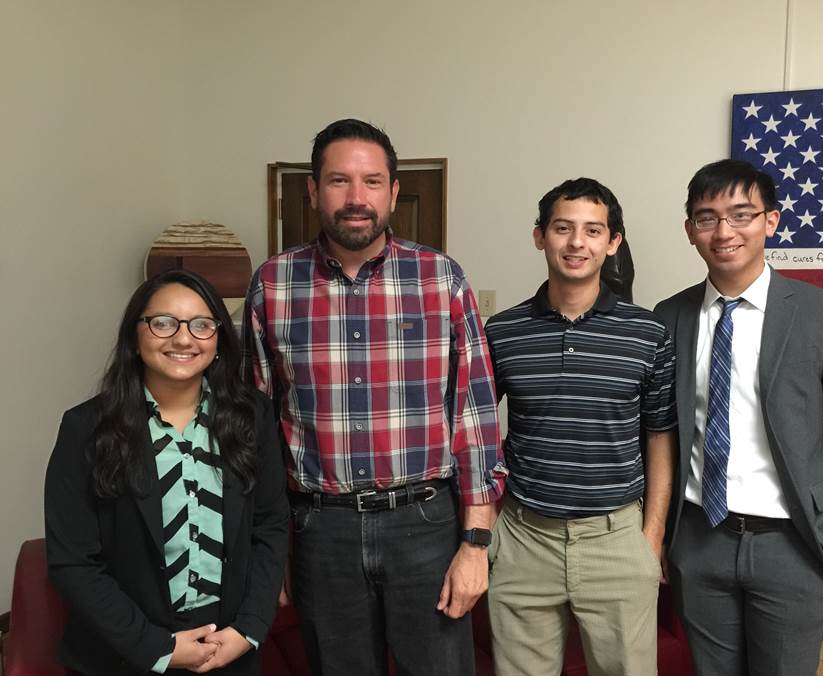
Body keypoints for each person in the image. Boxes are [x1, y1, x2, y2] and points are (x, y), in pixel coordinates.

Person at [242, 118, 505, 676]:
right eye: (339, 181)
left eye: (372, 181)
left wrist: (476, 543)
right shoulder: (273, 285)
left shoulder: (441, 279)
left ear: (392, 191)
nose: (356, 198)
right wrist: (274, 548)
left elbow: (475, 414)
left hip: (425, 525)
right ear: (313, 190)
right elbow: (257, 426)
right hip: (321, 533)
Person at [654, 159, 823, 675]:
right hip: (699, 540)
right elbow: (661, 432)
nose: (724, 231)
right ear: (690, 230)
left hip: (795, 547)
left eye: (741, 215)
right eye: (707, 217)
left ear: (771, 222)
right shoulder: (668, 317)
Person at [45, 269, 289, 675]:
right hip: (124, 654)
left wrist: (248, 630)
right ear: (134, 336)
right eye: (162, 323)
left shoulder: (253, 418)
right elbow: (74, 562)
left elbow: (271, 526)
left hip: (228, 648)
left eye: (201, 324)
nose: (182, 338)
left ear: (218, 339)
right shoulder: (85, 429)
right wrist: (157, 648)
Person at [484, 177, 677, 676]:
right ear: (539, 236)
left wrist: (651, 536)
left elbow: (660, 435)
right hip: (524, 539)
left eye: (593, 231)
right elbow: (475, 431)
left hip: (615, 538)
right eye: (563, 228)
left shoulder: (647, 333)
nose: (577, 242)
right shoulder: (502, 332)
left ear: (612, 243)